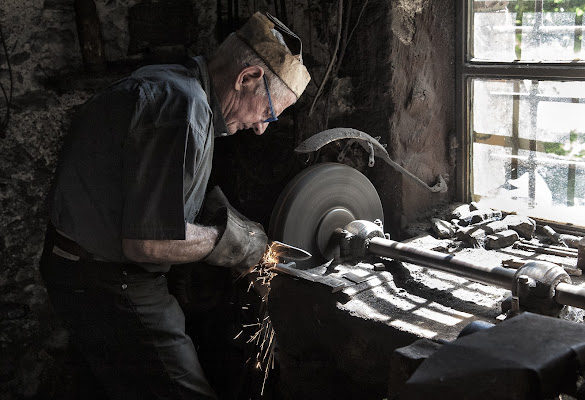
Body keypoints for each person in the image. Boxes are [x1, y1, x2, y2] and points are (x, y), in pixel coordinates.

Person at [39, 12, 310, 400]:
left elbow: (159, 195)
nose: (262, 126)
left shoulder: (176, 82)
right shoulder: (183, 109)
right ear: (247, 78)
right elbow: (147, 243)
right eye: (269, 111)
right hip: (103, 278)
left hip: (83, 265)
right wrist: (235, 243)